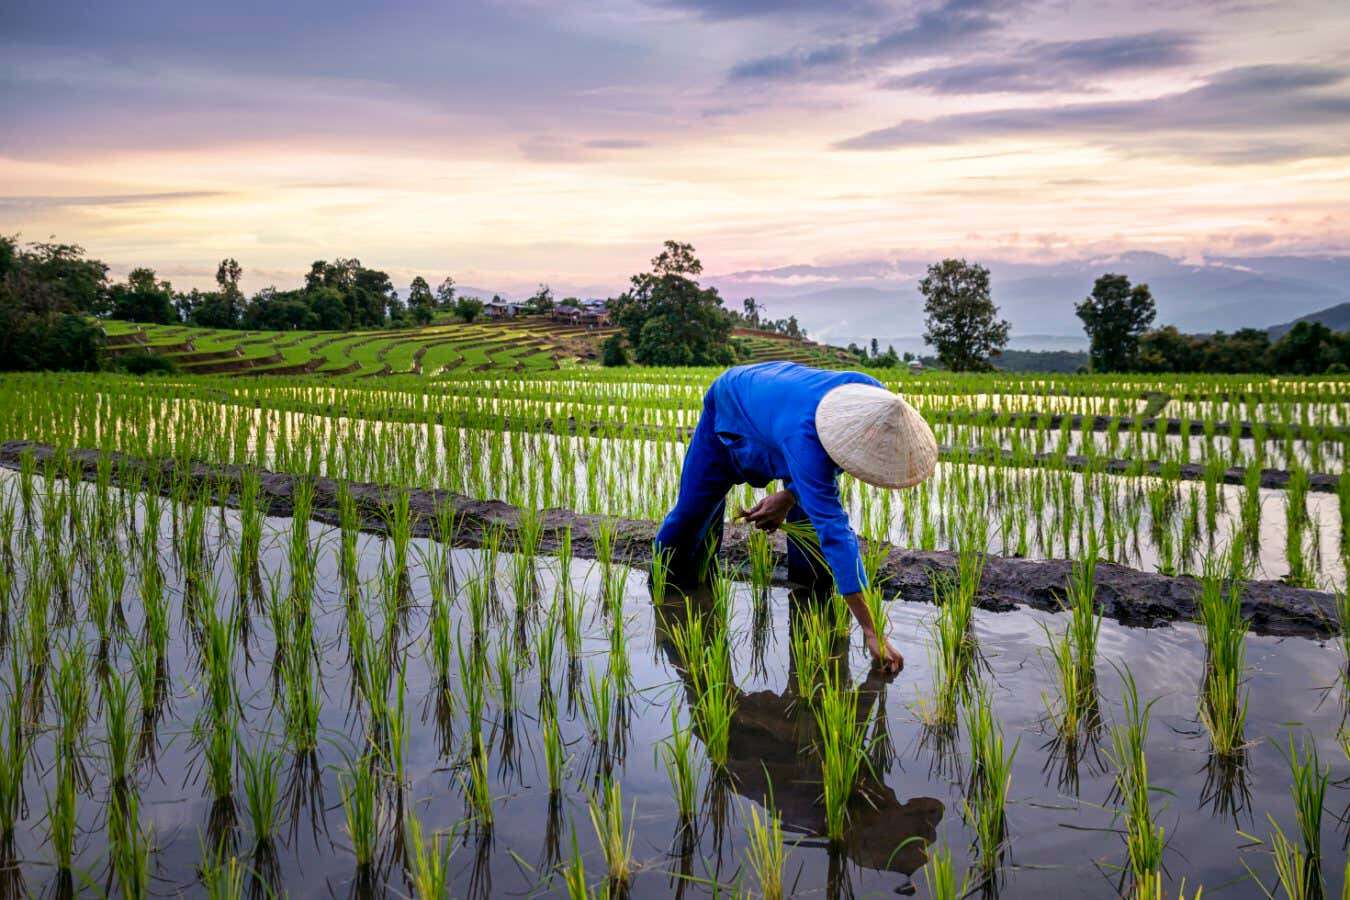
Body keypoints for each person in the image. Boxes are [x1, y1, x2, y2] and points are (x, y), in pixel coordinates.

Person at [653, 361, 937, 673]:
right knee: (692, 517)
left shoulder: (873, 399)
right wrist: (872, 632)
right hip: (732, 403)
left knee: (810, 523)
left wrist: (788, 496)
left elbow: (829, 461)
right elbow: (835, 532)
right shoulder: (805, 440)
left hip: (782, 414)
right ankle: (669, 589)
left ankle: (812, 594)